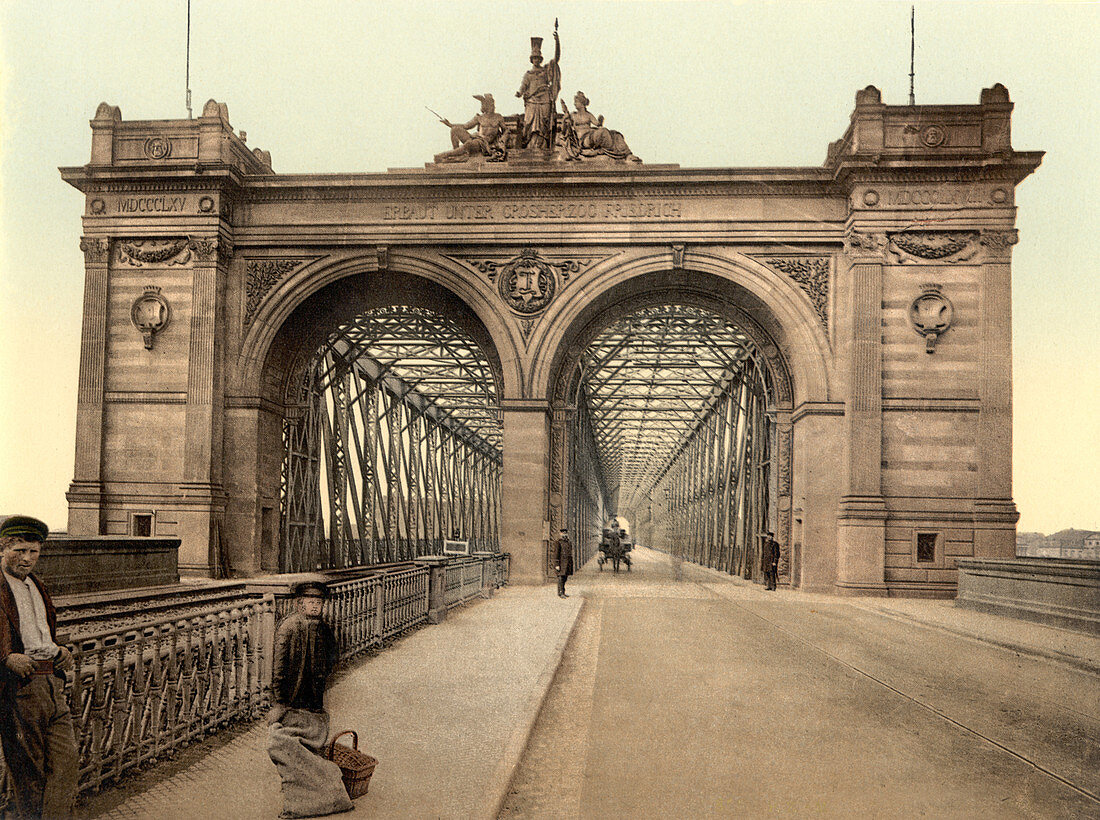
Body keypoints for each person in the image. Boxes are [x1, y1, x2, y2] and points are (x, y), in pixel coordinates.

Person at [0, 515, 79, 819]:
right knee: (29, 772)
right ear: (3, 548)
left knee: (66, 763)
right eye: (19, 550)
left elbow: (42, 633)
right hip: (20, 686)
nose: (27, 559)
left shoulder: (37, 586)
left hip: (51, 682)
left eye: (33, 551)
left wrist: (60, 650)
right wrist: (5, 657)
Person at [267, 580, 354, 818]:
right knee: (289, 744)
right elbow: (279, 667)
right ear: (300, 603)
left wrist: (323, 675)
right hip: (291, 698)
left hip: (313, 697)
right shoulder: (289, 627)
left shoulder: (324, 628)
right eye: (311, 602)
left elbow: (335, 655)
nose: (315, 607)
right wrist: (279, 700)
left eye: (319, 603)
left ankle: (313, 793)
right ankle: (301, 794)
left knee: (312, 740)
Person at [516, 24, 560, 149]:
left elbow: (556, 59)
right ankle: (531, 144)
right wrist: (519, 93)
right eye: (534, 58)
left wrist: (557, 42)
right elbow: (523, 86)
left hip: (545, 99)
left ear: (540, 59)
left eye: (538, 58)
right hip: (531, 100)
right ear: (532, 60)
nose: (536, 60)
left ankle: (544, 144)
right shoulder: (528, 74)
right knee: (529, 123)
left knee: (544, 123)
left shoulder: (546, 70)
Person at [433, 94, 507, 163]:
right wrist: (450, 124)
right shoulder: (479, 117)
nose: (483, 105)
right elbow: (465, 126)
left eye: (484, 103)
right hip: (477, 138)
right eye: (483, 104)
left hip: (484, 144)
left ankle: (443, 155)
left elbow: (506, 130)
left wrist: (502, 141)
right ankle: (456, 153)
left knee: (469, 144)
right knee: (455, 129)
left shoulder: (498, 117)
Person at [552, 527, 574, 598]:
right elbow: (556, 554)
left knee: (565, 578)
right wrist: (557, 564)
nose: (564, 535)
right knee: (560, 578)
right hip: (561, 563)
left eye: (565, 533)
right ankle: (560, 593)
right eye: (563, 533)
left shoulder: (568, 542)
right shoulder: (558, 542)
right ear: (560, 534)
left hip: (568, 563)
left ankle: (563, 592)